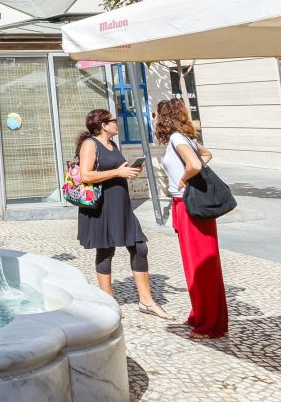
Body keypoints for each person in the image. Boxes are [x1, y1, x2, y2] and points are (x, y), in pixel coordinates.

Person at [75, 108, 171, 319]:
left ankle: (146, 301)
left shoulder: (112, 144)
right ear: (103, 125)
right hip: (102, 205)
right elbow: (85, 174)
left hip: (121, 204)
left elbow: (116, 169)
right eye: (113, 121)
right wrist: (118, 172)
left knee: (139, 247)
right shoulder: (90, 144)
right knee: (106, 250)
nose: (116, 123)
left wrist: (129, 172)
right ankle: (108, 301)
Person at [155, 99, 228, 340]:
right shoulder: (186, 138)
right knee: (197, 264)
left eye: (156, 115)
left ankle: (209, 324)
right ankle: (202, 314)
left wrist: (186, 178)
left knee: (200, 265)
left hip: (188, 204)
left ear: (164, 116)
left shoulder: (177, 138)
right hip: (185, 204)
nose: (153, 119)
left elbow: (196, 163)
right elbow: (206, 155)